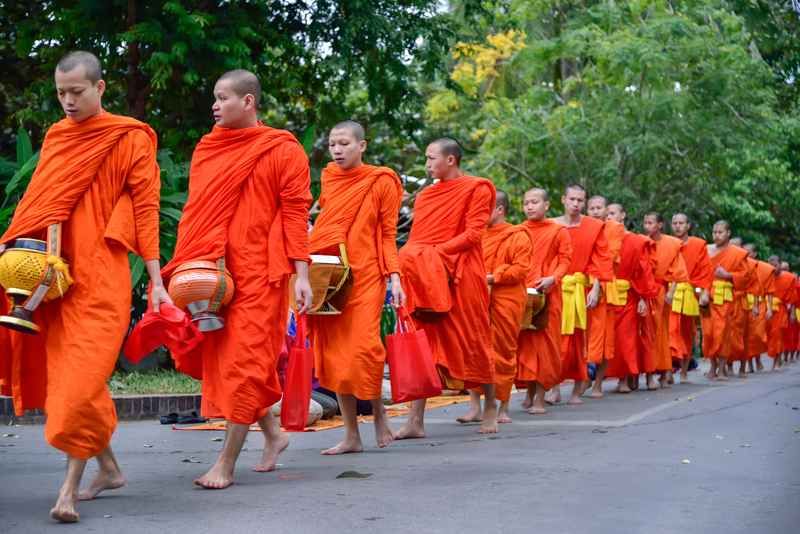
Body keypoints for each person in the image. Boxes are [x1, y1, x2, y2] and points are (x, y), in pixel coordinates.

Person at [0, 51, 169, 522]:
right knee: (78, 385)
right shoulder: (57, 136)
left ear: (101, 87)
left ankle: (68, 492)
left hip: (103, 279)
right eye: (61, 93)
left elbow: (146, 207)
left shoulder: (129, 136)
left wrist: (156, 280)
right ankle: (110, 469)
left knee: (79, 386)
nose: (68, 102)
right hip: (54, 279)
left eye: (77, 92)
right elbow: (37, 202)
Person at [161, 69, 313, 489]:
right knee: (227, 360)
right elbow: (197, 211)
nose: (214, 105)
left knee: (244, 363)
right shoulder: (209, 147)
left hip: (261, 274)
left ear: (249, 102)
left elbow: (296, 214)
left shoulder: (283, 149)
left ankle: (225, 464)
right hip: (213, 273)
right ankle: (274, 434)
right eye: (214, 96)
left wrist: (302, 274)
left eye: (223, 97)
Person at [308, 120, 405, 454]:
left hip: (366, 277)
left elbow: (388, 233)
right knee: (335, 356)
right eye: (333, 143)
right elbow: (324, 220)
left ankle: (379, 413)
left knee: (364, 349)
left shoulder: (381, 180)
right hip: (332, 276)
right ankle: (351, 434)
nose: (337, 150)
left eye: (345, 143)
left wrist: (395, 276)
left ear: (362, 146)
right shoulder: (330, 178)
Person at [397, 138, 498, 435]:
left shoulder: (477, 188)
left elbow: (473, 234)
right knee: (422, 343)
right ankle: (415, 421)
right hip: (427, 276)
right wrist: (413, 261)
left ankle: (490, 405)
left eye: (431, 158)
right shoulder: (426, 196)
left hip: (464, 274)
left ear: (450, 160)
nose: (427, 165)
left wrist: (436, 253)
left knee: (474, 338)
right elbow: (417, 238)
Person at [460, 190, 531, 424]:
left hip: (506, 299)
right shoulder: (476, 235)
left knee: (503, 351)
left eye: (484, 209)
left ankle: (503, 406)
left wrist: (494, 277)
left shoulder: (518, 235)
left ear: (499, 209)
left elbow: (521, 269)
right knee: (473, 350)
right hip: (477, 299)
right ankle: (474, 407)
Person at [550, 185, 613, 404]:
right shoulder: (552, 225)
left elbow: (601, 259)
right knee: (555, 339)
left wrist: (596, 288)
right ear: (563, 200)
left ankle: (577, 389)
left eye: (580, 200)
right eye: (572, 199)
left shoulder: (595, 226)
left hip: (582, 290)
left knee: (580, 342)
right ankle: (553, 387)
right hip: (557, 288)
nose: (576, 204)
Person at [516, 188, 572, 414]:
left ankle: (540, 397)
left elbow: (566, 260)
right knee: (526, 345)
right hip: (523, 293)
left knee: (545, 347)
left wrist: (553, 278)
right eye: (526, 202)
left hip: (549, 293)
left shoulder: (558, 231)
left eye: (535, 202)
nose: (530, 206)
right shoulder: (518, 231)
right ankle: (529, 393)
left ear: (547, 205)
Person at [605, 204, 660, 392]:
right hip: (609, 295)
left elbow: (643, 271)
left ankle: (648, 375)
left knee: (635, 336)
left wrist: (644, 298)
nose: (609, 216)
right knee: (617, 339)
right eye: (607, 213)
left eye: (612, 213)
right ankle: (623, 378)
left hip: (632, 295)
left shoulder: (636, 241)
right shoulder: (604, 239)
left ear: (623, 215)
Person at [642, 212, 689, 389]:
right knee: (647, 332)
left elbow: (678, 271)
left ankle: (662, 371)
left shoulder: (671, 244)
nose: (647, 226)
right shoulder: (642, 242)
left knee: (661, 332)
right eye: (645, 222)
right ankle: (648, 373)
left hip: (662, 291)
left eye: (651, 222)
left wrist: (672, 291)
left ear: (660, 225)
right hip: (645, 290)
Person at [702, 221, 751, 380]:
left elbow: (746, 278)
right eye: (714, 232)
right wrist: (700, 293)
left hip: (725, 299)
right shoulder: (706, 250)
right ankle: (713, 365)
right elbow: (698, 275)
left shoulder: (737, 253)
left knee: (722, 333)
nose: (716, 235)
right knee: (708, 333)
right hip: (707, 297)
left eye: (720, 232)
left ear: (728, 233)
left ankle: (722, 368)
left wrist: (728, 275)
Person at [586, 195, 624, 398]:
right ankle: (582, 380)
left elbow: (608, 259)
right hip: (582, 286)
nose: (595, 211)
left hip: (605, 287)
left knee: (605, 339)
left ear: (605, 209)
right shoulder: (584, 226)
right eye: (591, 207)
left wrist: (596, 287)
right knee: (582, 338)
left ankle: (598, 383)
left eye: (599, 207)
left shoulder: (614, 229)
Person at [669, 213, 712, 383]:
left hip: (689, 292)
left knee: (687, 333)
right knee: (669, 332)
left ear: (688, 225)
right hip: (670, 294)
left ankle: (684, 371)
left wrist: (702, 293)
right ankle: (668, 371)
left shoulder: (698, 245)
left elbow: (704, 273)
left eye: (681, 223)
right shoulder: (667, 243)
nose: (678, 226)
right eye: (675, 223)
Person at [742, 244, 774, 373]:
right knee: (746, 335)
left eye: (748, 252)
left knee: (757, 334)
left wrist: (770, 308)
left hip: (759, 304)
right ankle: (749, 363)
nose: (746, 254)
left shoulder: (765, 269)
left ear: (755, 254)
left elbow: (770, 291)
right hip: (743, 302)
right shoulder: (740, 266)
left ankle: (758, 359)